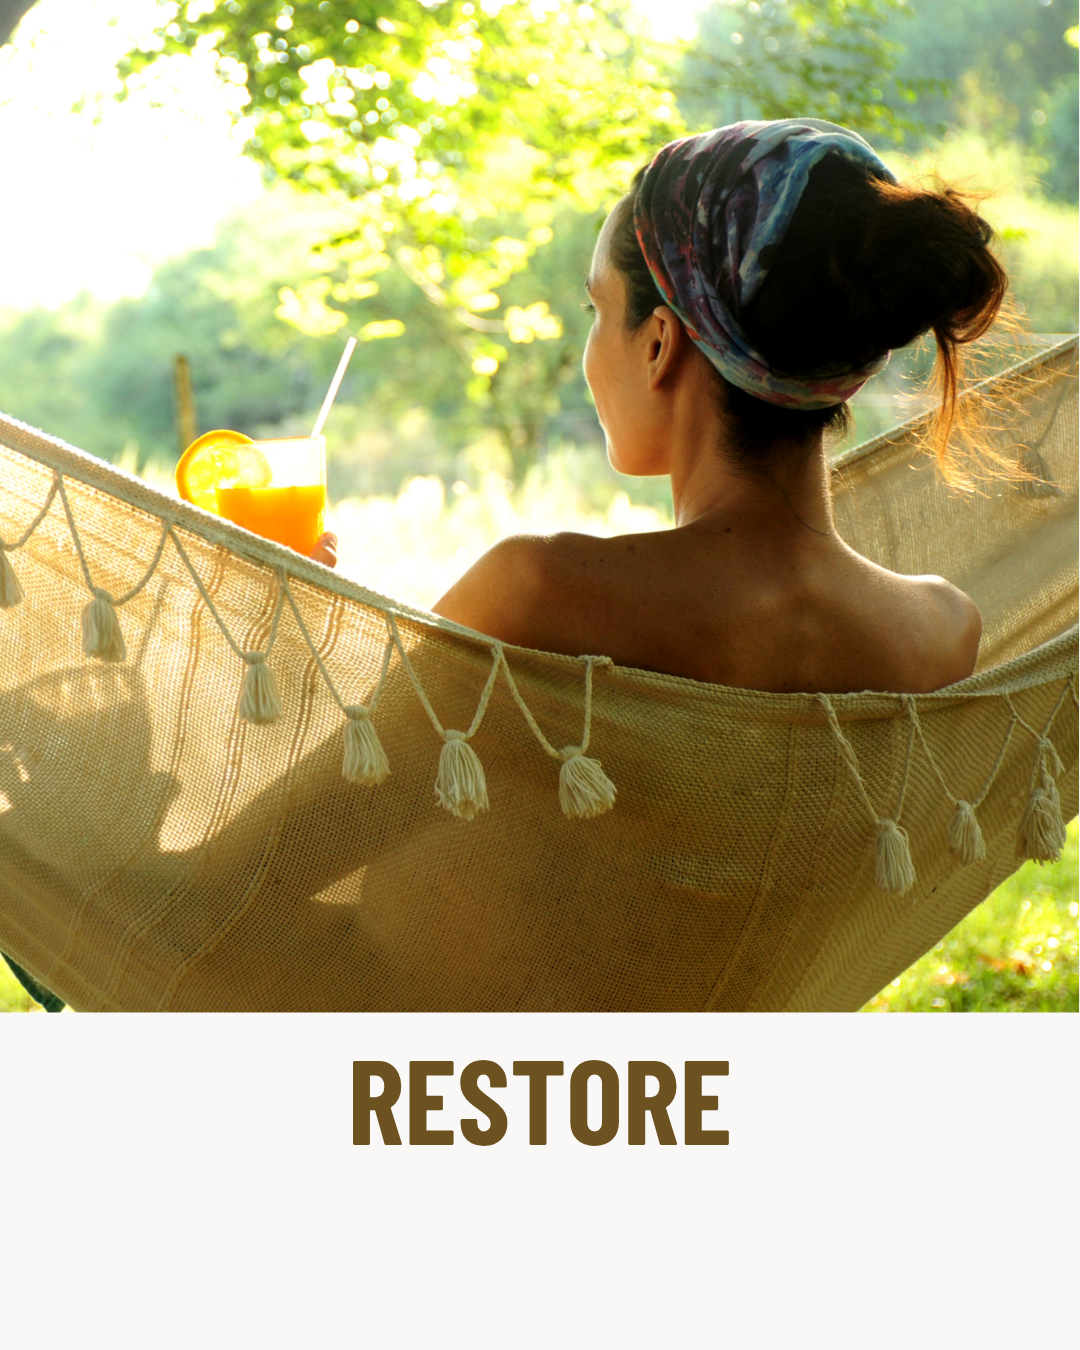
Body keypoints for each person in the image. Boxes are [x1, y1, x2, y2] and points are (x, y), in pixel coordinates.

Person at [327, 119, 1009, 695]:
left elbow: (321, 802)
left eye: (597, 309)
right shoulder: (942, 631)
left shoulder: (536, 593)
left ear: (658, 343)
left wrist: (284, 605)